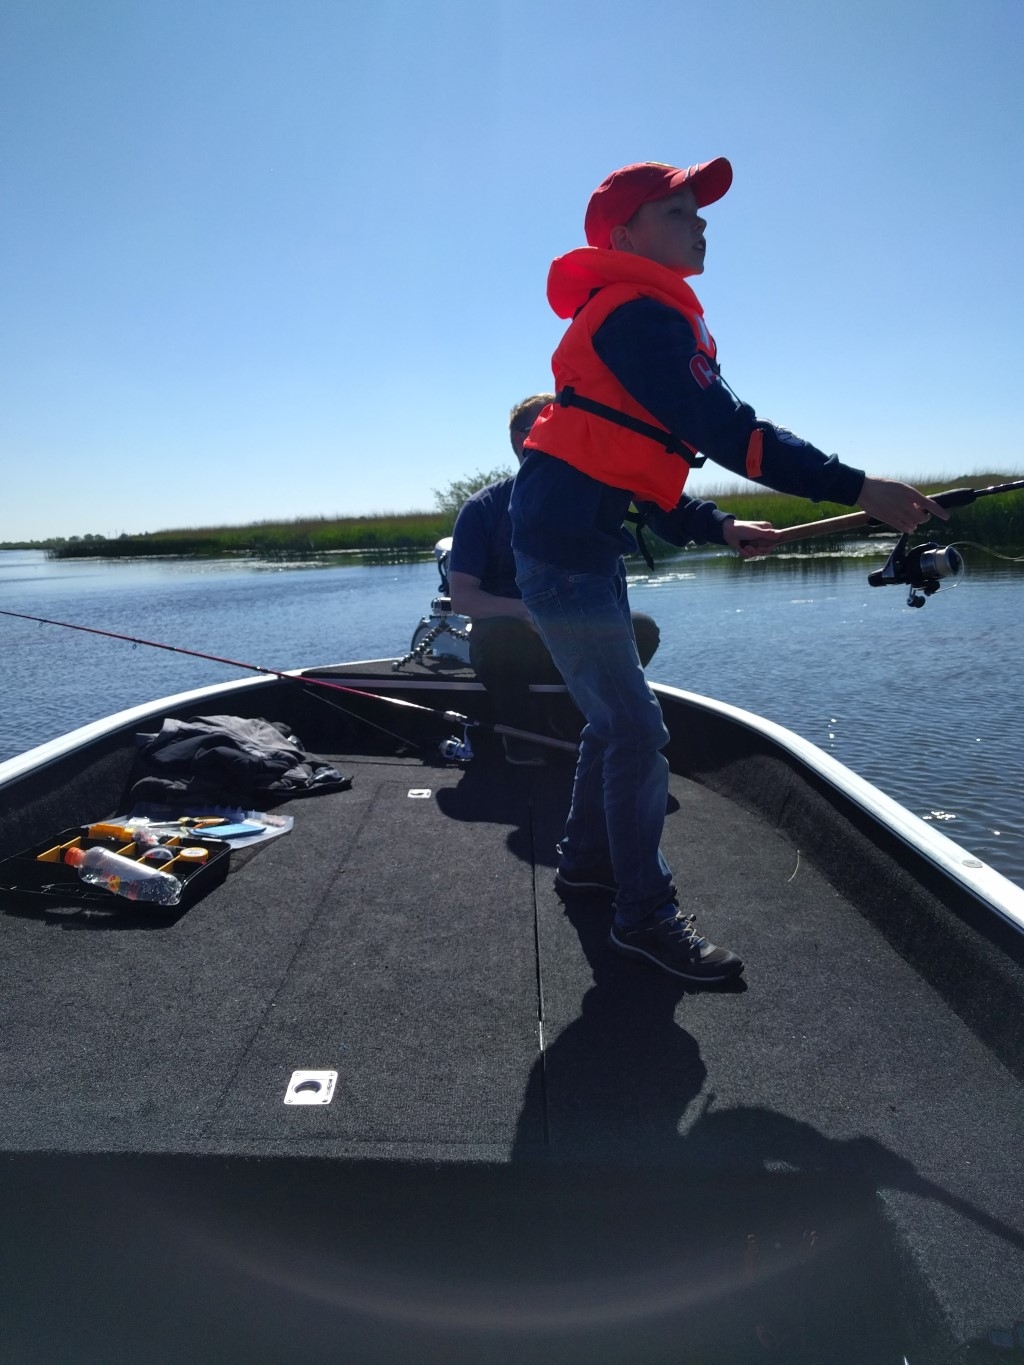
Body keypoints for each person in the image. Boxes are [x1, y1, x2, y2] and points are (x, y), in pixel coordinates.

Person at [509, 158, 948, 985]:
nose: (701, 223)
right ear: (623, 236)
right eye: (678, 212)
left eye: (699, 211)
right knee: (635, 727)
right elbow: (734, 434)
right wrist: (860, 487)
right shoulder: (638, 316)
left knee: (612, 721)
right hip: (564, 553)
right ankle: (643, 914)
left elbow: (630, 469)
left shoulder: (643, 316)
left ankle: (587, 863)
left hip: (577, 544)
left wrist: (717, 525)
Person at [448, 393, 660, 765]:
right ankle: (522, 733)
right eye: (552, 424)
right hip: (516, 637)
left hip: (575, 629)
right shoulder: (482, 508)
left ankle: (581, 723)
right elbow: (463, 598)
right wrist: (525, 610)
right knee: (498, 637)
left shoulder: (594, 498)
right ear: (521, 439)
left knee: (642, 628)